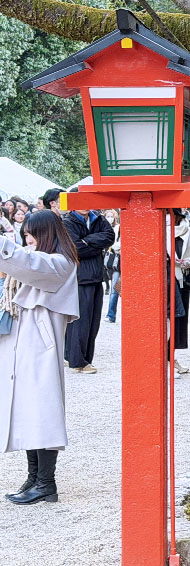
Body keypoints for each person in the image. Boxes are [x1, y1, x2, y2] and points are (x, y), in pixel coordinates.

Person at [0, 209, 80, 504]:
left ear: (45, 233)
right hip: (27, 344)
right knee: (28, 412)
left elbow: (25, 262)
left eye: (31, 233)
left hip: (40, 347)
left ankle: (46, 482)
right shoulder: (49, 261)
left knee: (42, 413)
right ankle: (34, 479)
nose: (27, 239)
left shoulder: (59, 263)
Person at [62, 207, 114, 374]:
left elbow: (110, 237)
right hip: (79, 276)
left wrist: (87, 240)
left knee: (93, 321)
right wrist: (96, 245)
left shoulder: (98, 218)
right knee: (80, 320)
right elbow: (74, 248)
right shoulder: (68, 222)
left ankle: (82, 358)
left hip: (97, 275)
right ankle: (78, 361)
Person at [168, 209, 190, 374]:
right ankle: (167, 358)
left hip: (183, 280)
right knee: (166, 320)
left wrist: (188, 262)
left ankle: (171, 356)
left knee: (179, 320)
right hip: (167, 279)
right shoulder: (161, 229)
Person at [104, 211, 121, 323]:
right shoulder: (117, 229)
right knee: (115, 288)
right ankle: (111, 314)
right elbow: (113, 245)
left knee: (120, 288)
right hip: (119, 264)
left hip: (127, 264)